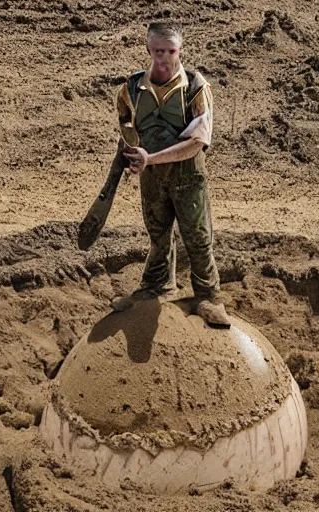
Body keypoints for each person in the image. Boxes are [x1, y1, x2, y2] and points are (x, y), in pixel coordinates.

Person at [111, 22, 230, 328]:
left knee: (198, 237)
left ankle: (207, 295)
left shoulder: (195, 87)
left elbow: (196, 143)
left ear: (180, 50)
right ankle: (157, 286)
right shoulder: (132, 88)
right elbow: (127, 129)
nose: (164, 57)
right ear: (148, 49)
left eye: (171, 51)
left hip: (187, 174)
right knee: (158, 235)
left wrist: (151, 158)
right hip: (152, 177)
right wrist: (130, 156)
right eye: (158, 51)